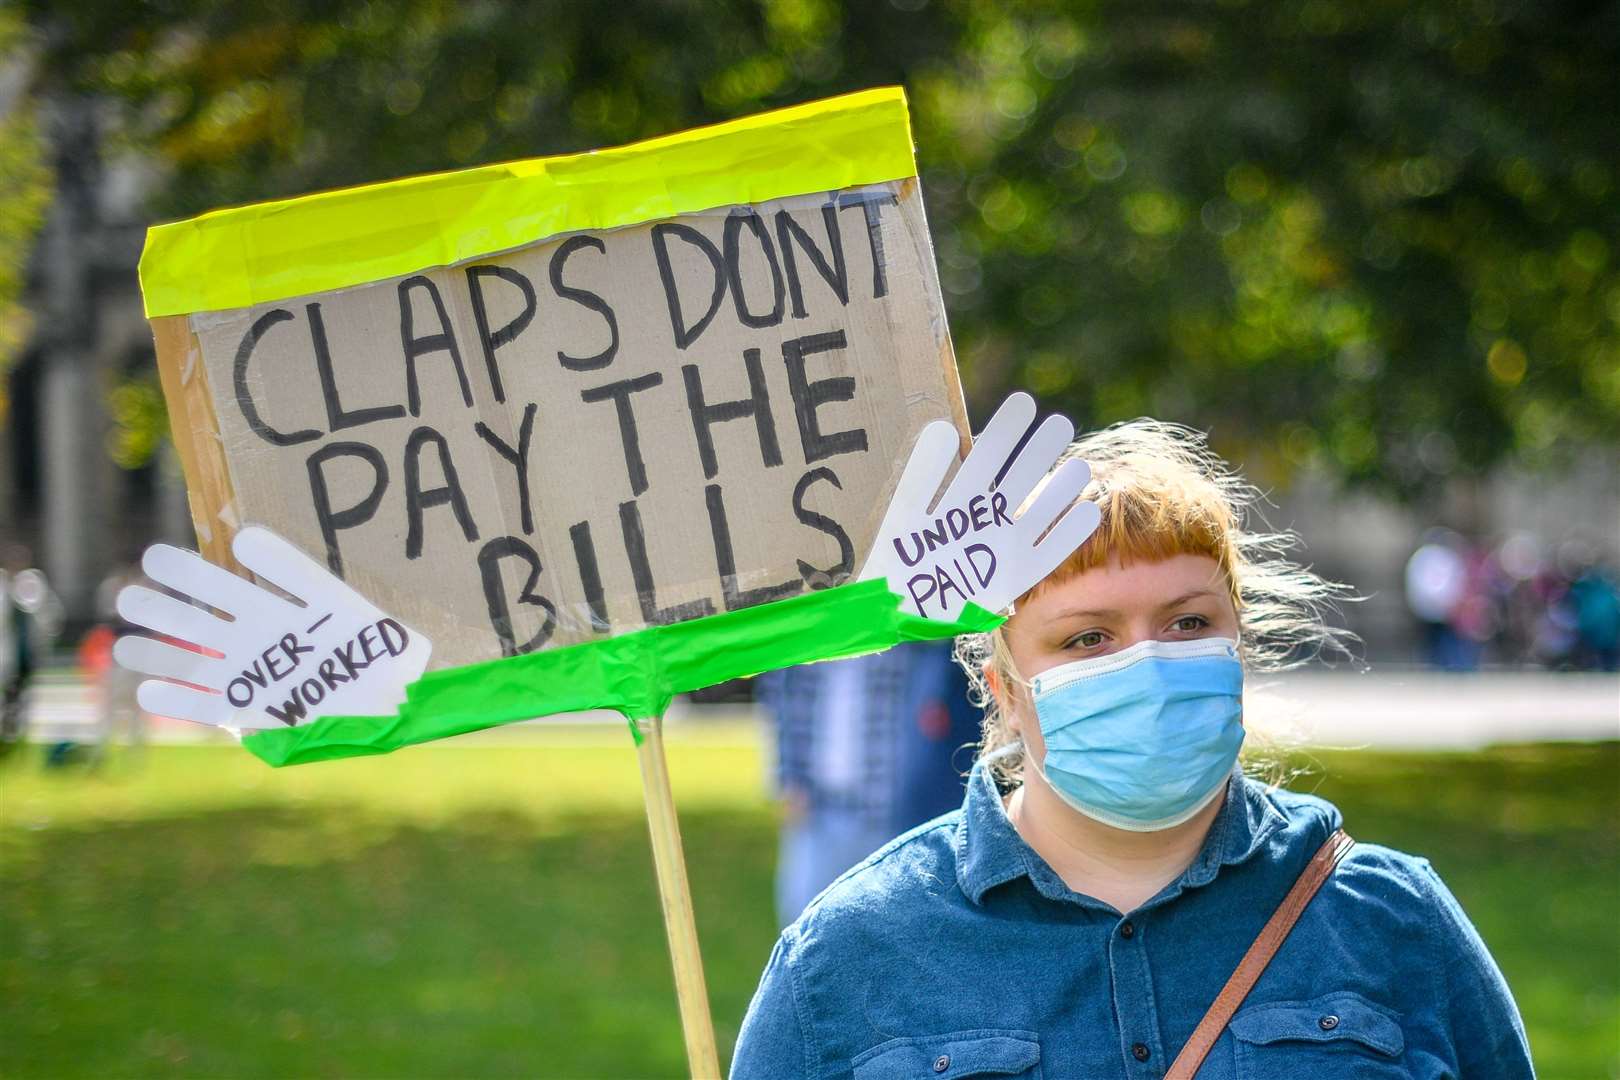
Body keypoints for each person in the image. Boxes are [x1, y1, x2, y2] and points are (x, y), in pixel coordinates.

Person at [731, 419, 1532, 1078]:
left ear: (1237, 641)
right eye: (1087, 638)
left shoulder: (1393, 921)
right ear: (1005, 690)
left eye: (1188, 624)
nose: (1145, 664)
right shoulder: (847, 956)